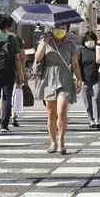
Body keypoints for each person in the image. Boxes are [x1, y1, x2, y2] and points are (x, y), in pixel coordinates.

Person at [35, 24, 82, 154]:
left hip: (65, 77)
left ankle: (61, 141)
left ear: (66, 29)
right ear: (52, 28)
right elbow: (37, 58)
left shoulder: (70, 44)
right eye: (57, 27)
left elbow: (75, 64)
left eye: (63, 27)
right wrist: (43, 44)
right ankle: (52, 142)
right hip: (48, 77)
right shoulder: (46, 41)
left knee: (61, 111)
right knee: (51, 113)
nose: (60, 30)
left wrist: (79, 79)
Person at [6, 16, 27, 127]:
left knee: (2, 95)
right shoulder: (16, 38)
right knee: (16, 92)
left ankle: (3, 116)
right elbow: (22, 57)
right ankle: (13, 115)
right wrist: (23, 73)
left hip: (0, 70)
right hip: (14, 69)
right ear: (12, 26)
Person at [79, 31, 100, 128]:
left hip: (97, 78)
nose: (89, 41)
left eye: (91, 39)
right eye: (87, 39)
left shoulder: (97, 49)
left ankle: (97, 119)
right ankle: (91, 119)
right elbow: (78, 65)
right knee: (87, 100)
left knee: (96, 97)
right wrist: (78, 78)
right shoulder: (81, 51)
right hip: (84, 79)